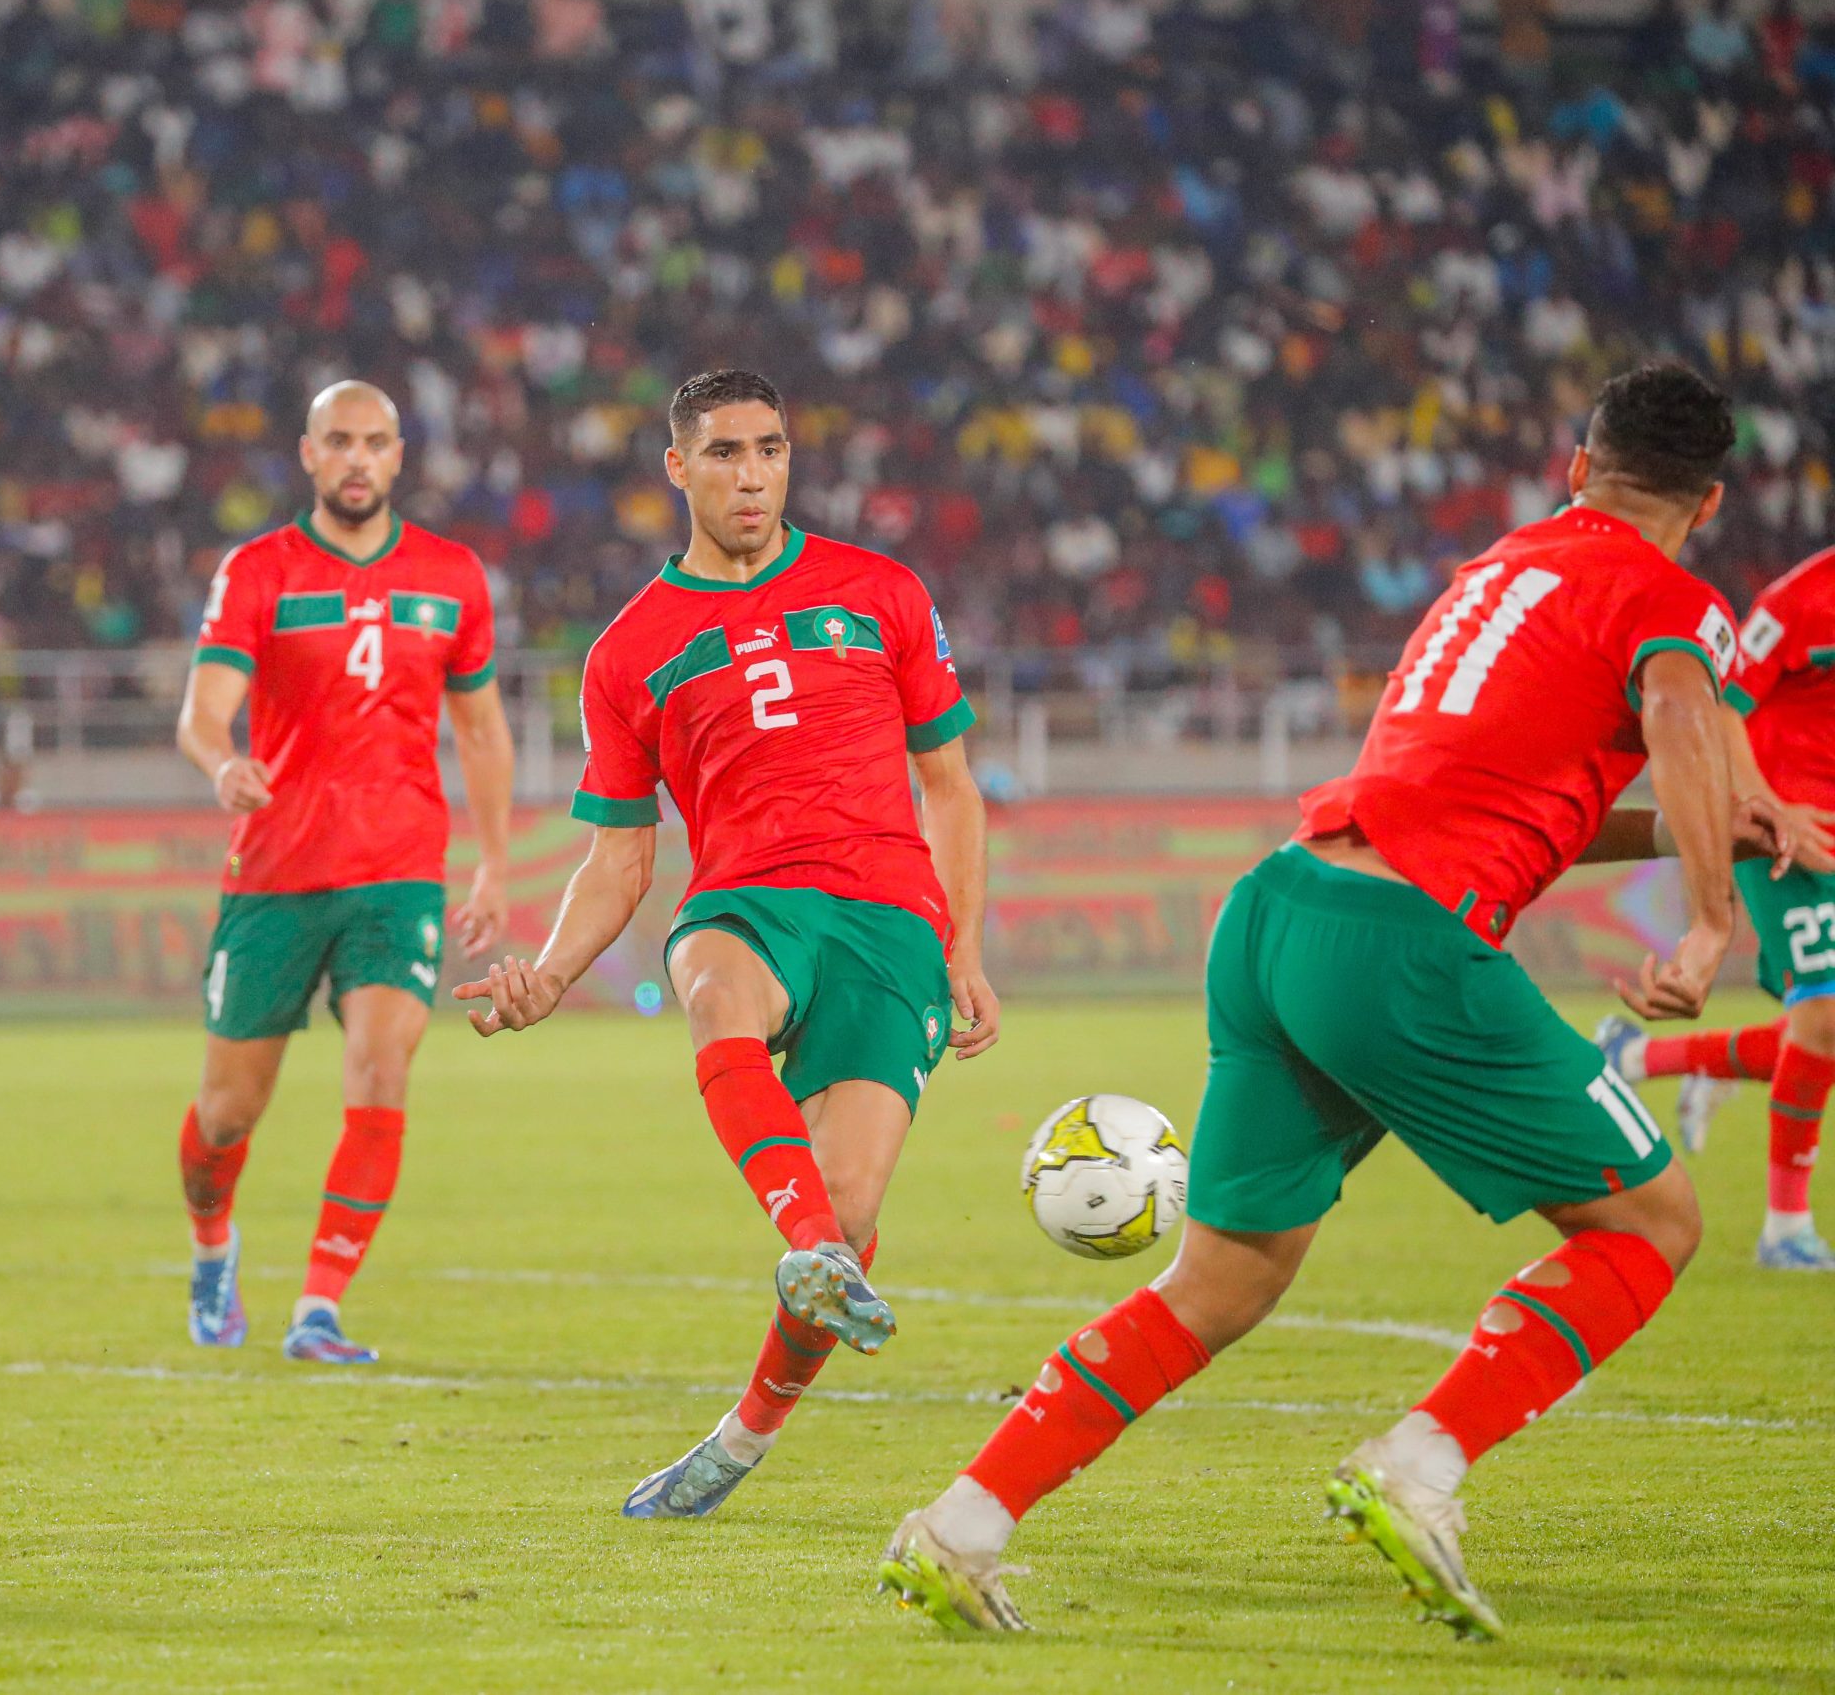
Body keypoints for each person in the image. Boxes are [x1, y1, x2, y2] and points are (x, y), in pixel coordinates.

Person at [877, 363, 1775, 1639]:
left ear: (1577, 468)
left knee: (1223, 1278)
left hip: (1280, 910)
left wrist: (1717, 838)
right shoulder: (1669, 599)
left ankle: (961, 1526)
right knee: (1652, 1220)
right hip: (1399, 946)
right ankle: (1423, 1460)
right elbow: (1682, 707)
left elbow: (1520, 810)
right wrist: (1706, 917)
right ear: (1711, 500)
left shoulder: (1505, 570)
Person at [453, 369, 998, 1517]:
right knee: (708, 982)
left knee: (851, 1205)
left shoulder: (883, 590)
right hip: (748, 900)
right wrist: (548, 974)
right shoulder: (628, 650)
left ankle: (739, 1441)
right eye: (724, 453)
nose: (750, 475)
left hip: (891, 916)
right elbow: (619, 857)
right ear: (677, 467)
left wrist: (967, 948)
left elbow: (949, 787)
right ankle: (801, 1239)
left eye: (769, 449)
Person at [172, 381, 514, 1365]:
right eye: (339, 442)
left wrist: (492, 863)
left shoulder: (451, 575)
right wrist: (220, 761)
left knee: (380, 1067)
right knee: (229, 1110)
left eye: (375, 442)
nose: (357, 459)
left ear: (399, 456)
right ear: (308, 454)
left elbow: (482, 728)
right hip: (275, 871)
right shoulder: (258, 572)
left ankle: (317, 1307)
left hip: (398, 867)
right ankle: (210, 1243)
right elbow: (202, 710)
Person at [1601, 542, 1835, 1270]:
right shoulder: (1799, 602)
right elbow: (1725, 709)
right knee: (1826, 1018)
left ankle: (1637, 1055)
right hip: (1786, 828)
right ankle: (1785, 1228)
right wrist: (1774, 807)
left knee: (1819, 1032)